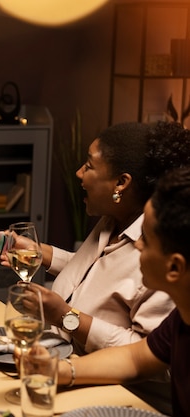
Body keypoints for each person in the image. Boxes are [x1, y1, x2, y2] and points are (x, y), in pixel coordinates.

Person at [3, 121, 190, 355]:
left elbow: (148, 354)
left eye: (89, 166)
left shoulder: (157, 253)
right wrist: (37, 252)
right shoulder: (113, 219)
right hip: (53, 356)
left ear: (121, 183)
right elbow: (93, 274)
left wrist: (65, 317)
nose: (79, 172)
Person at [54, 166, 190, 416]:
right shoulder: (180, 319)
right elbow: (135, 358)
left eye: (146, 239)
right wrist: (60, 372)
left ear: (174, 267)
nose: (136, 244)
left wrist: (65, 317)